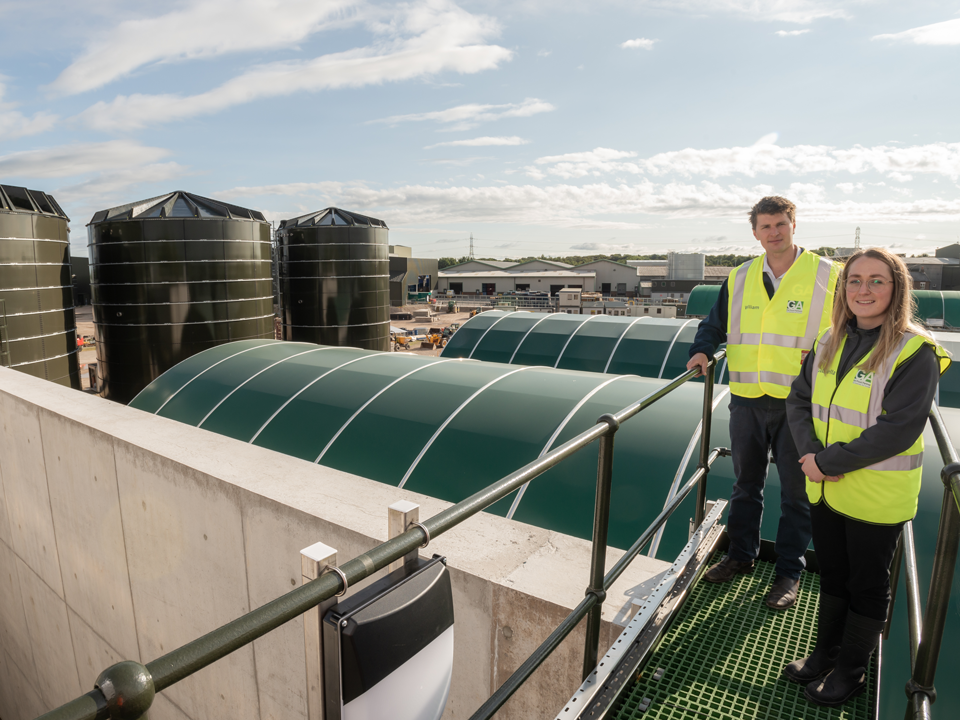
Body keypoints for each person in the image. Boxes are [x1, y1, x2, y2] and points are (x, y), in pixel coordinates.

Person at [783, 247, 950, 706]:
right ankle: (827, 652)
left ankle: (852, 670)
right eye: (854, 280)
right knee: (833, 574)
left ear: (897, 288)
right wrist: (810, 454)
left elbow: (897, 431)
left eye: (877, 280)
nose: (864, 290)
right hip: (825, 488)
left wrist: (824, 463)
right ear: (843, 288)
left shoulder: (915, 350)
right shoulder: (828, 339)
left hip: (875, 496)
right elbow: (798, 401)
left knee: (867, 583)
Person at [687, 196, 839, 610]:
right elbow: (714, 324)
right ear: (755, 232)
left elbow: (855, 327)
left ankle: (789, 571)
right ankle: (741, 556)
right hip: (747, 398)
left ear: (794, 224)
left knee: (797, 491)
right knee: (745, 485)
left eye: (780, 224)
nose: (774, 233)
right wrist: (702, 350)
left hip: (800, 405)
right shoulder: (739, 276)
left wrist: (831, 354)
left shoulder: (828, 275)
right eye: (765, 226)